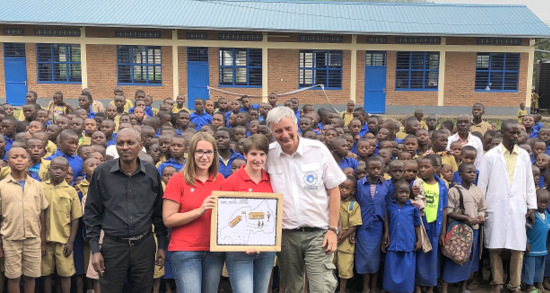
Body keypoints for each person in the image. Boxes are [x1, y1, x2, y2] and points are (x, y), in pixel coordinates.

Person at [264, 106, 346, 292]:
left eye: (288, 128)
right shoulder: (268, 155)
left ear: (296, 125)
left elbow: (334, 190)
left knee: (320, 287)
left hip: (318, 234)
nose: (284, 135)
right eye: (278, 131)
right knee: (293, 287)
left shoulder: (318, 150)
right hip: (286, 235)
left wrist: (332, 229)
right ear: (272, 132)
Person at [84, 128, 168, 293]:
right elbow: (92, 214)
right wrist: (95, 250)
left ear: (140, 146)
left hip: (144, 246)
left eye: (130, 143)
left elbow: (158, 212)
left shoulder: (151, 172)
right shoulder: (102, 172)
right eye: (120, 143)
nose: (125, 147)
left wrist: (162, 246)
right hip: (113, 247)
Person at [477, 119, 537, 293]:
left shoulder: (524, 156)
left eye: (517, 133)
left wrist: (531, 206)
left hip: (518, 207)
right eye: (512, 132)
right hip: (495, 207)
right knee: (495, 246)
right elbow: (482, 185)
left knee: (517, 248)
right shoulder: (491, 156)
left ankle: (514, 284)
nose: (516, 136)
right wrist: (482, 208)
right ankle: (497, 283)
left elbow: (529, 183)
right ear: (502, 133)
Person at [162, 132, 225, 293]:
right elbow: (168, 219)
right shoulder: (178, 180)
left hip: (214, 251)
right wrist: (200, 210)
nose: (204, 157)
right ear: (192, 154)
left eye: (209, 152)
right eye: (200, 152)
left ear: (214, 154)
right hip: (186, 251)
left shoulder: (221, 180)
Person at [220, 134, 276, 293]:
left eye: (262, 154)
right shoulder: (231, 182)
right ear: (244, 155)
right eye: (253, 154)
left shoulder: (272, 180)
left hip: (265, 250)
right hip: (239, 251)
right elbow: (225, 220)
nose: (258, 159)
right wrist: (243, 241)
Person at [0, 147, 49, 293]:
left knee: (30, 276)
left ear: (28, 161)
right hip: (10, 239)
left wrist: (43, 241)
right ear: (8, 161)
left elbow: (41, 214)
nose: (19, 160)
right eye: (15, 157)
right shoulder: (2, 187)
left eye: (23, 157)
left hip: (33, 239)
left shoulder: (37, 185)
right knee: (13, 277)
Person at [441, 162, 486, 293]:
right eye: (469, 172)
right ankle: (445, 287)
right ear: (460, 174)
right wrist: (466, 218)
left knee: (468, 258)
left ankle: (463, 286)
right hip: (459, 230)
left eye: (474, 172)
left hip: (474, 230)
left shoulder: (477, 191)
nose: (472, 175)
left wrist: (480, 217)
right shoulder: (454, 191)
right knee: (454, 256)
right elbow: (449, 211)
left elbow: (482, 208)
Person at [41, 157, 83, 293]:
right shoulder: (41, 187)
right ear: (49, 169)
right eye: (55, 168)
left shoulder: (71, 191)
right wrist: (41, 241)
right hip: (45, 240)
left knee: (66, 274)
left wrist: (71, 242)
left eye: (62, 169)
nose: (58, 172)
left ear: (67, 172)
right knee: (45, 273)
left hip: (64, 240)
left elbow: (75, 218)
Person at [382, 180, 421, 293]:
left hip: (408, 241)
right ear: (395, 193)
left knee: (407, 268)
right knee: (391, 267)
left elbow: (417, 224)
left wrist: (419, 240)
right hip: (393, 241)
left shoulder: (413, 208)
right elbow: (387, 220)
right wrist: (386, 233)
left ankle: (406, 289)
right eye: (401, 192)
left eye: (407, 192)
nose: (404, 195)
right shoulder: (390, 206)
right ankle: (390, 289)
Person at [336, 175, 362, 293]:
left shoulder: (353, 205)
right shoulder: (332, 201)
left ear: (353, 191)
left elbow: (354, 225)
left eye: (347, 188)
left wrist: (342, 237)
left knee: (345, 269)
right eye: (341, 187)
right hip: (331, 238)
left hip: (345, 241)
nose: (344, 191)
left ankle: (342, 290)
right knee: (330, 266)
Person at [521, 189, 550, 293]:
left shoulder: (547, 215)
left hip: (542, 248)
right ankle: (529, 285)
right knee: (530, 268)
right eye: (540, 202)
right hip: (532, 248)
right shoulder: (532, 216)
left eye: (546, 202)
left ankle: (539, 284)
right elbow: (525, 229)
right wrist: (526, 241)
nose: (543, 205)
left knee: (540, 268)